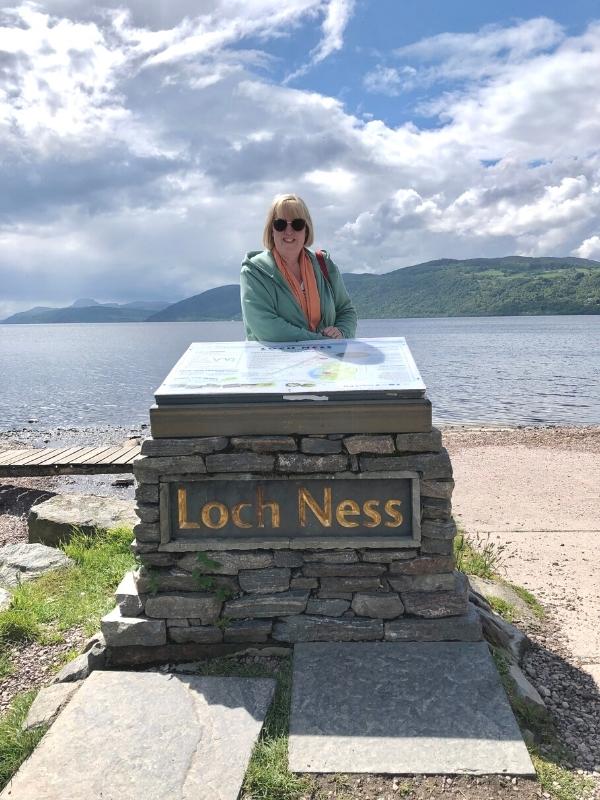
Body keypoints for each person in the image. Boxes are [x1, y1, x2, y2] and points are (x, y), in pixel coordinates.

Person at [240, 194, 357, 342]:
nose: (289, 231)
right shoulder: (254, 271)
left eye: (297, 224)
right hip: (274, 363)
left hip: (326, 363)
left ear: (306, 230)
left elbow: (346, 311)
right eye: (280, 224)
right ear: (271, 230)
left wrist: (341, 332)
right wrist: (320, 340)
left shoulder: (324, 265)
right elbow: (266, 326)